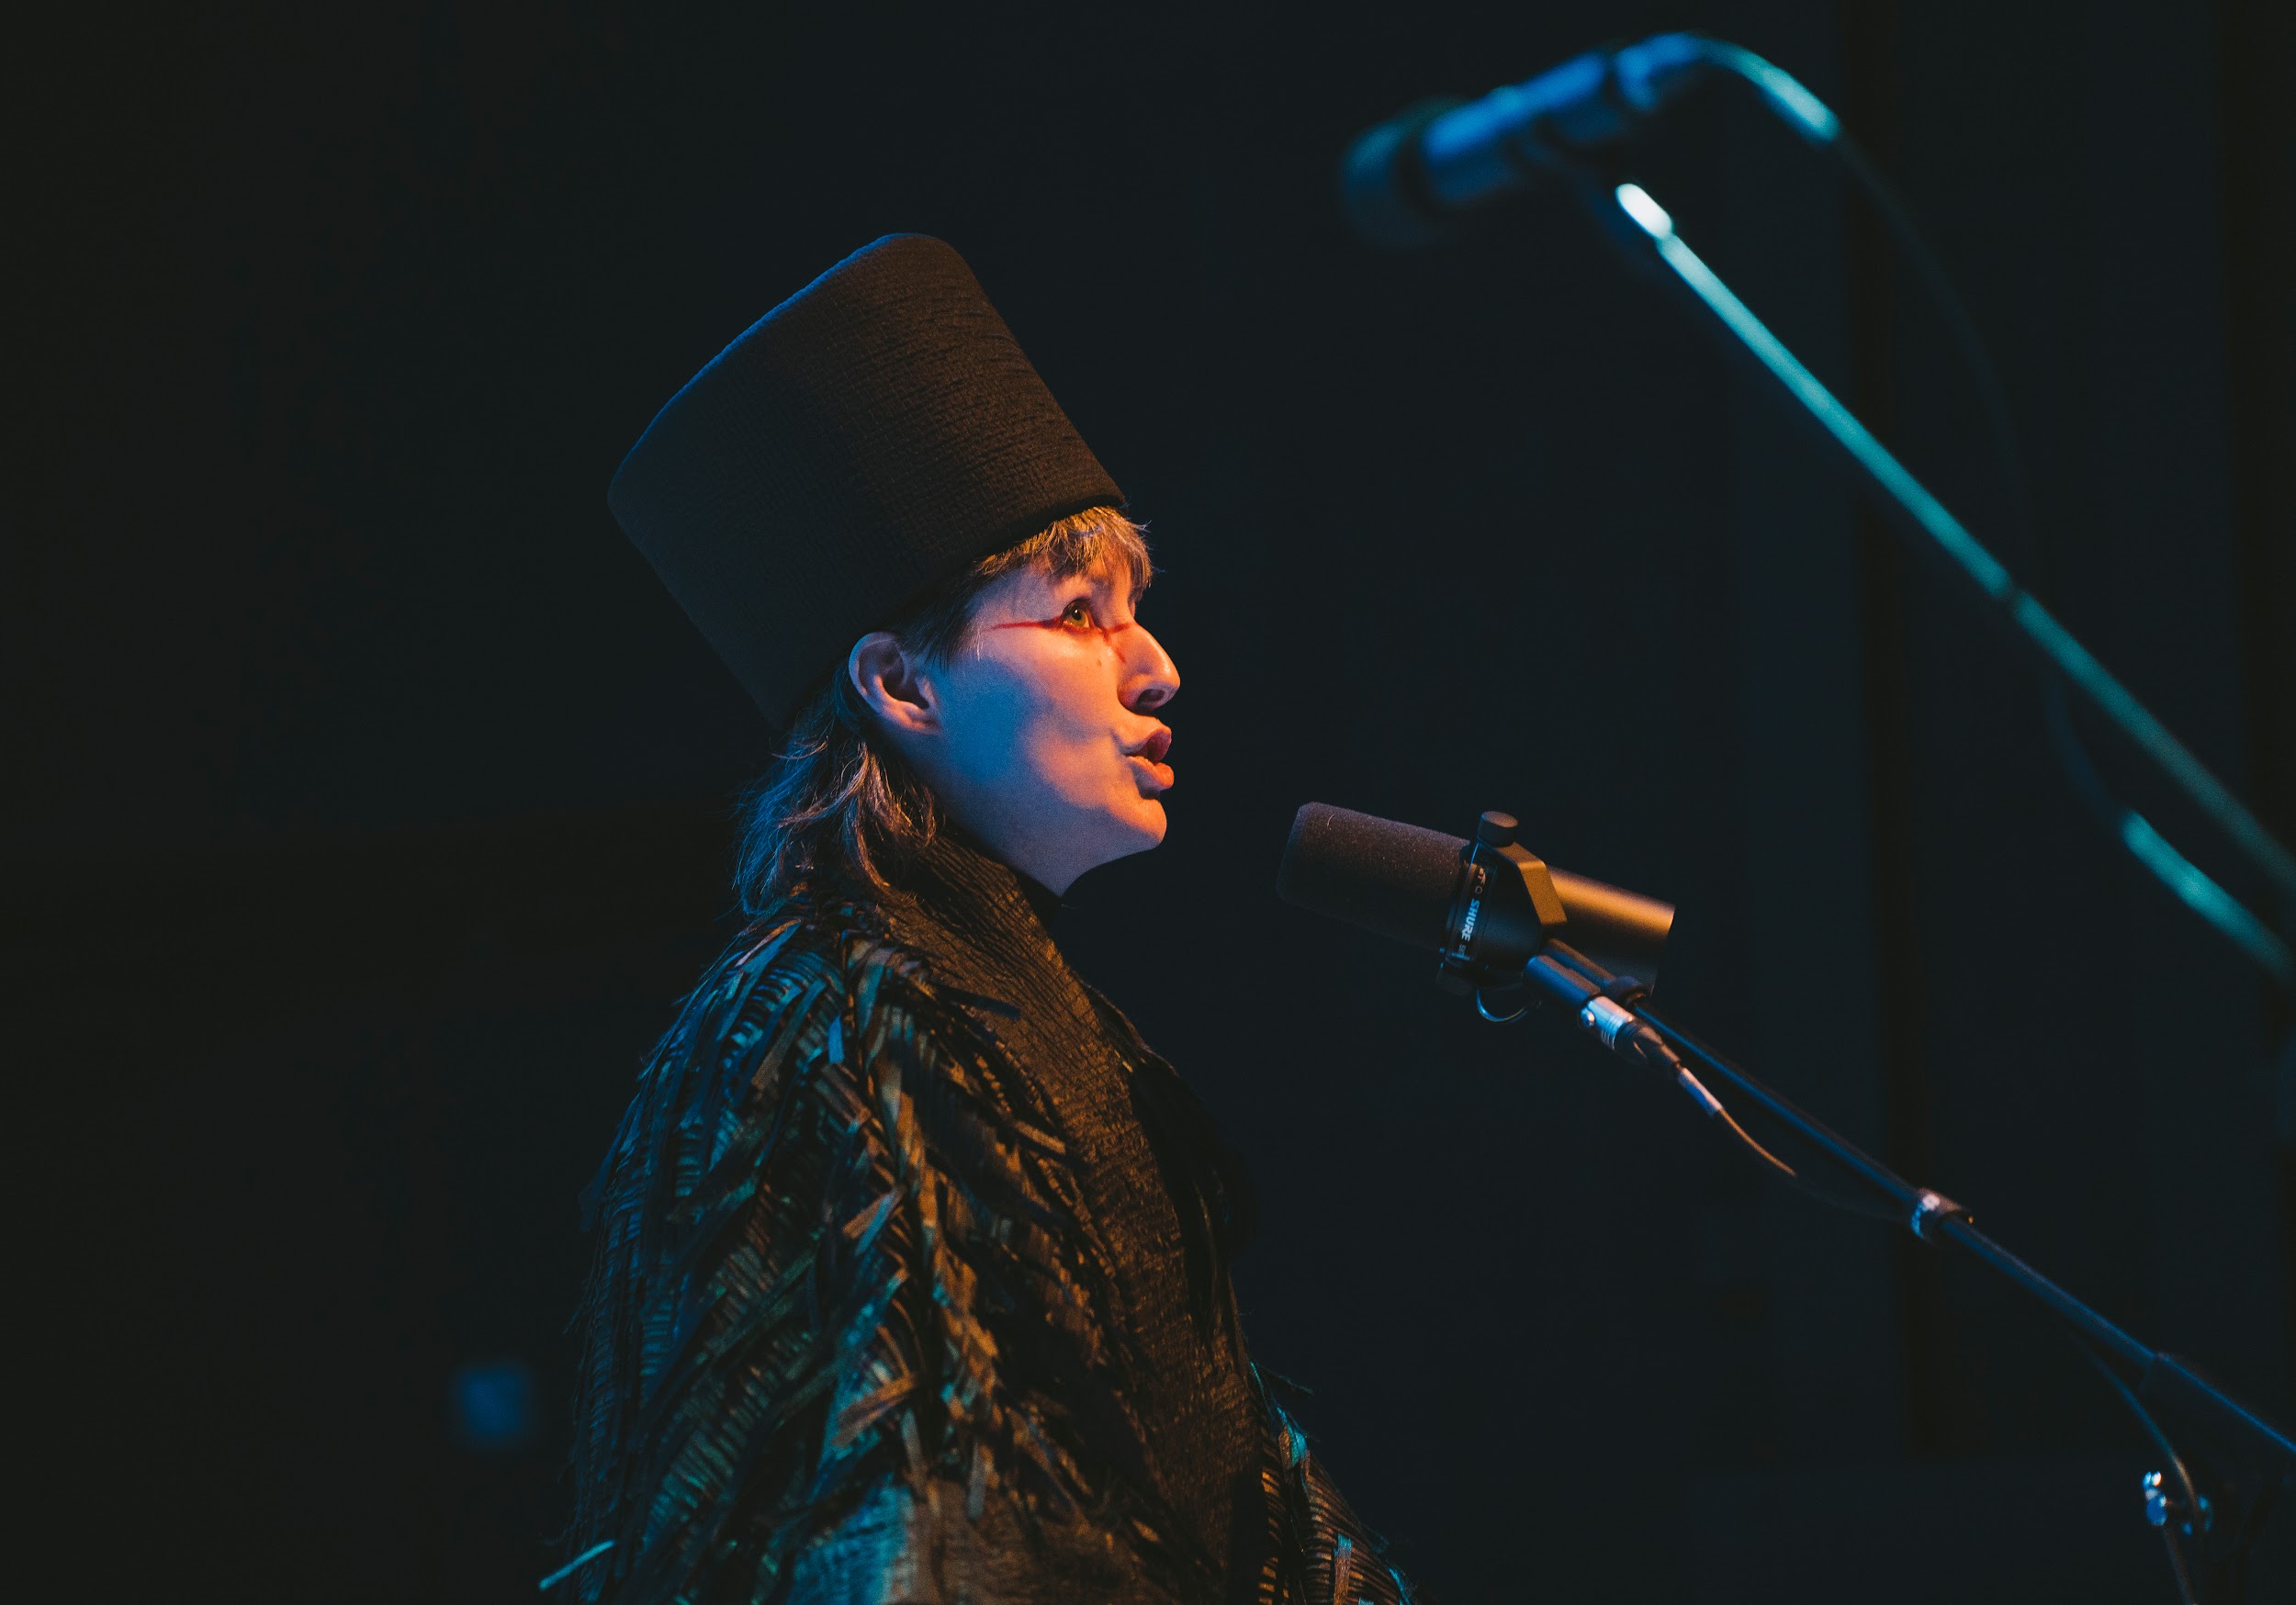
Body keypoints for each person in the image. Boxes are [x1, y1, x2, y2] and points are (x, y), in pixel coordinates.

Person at [564, 234, 1412, 1605]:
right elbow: (918, 1536)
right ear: (900, 685)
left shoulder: (1031, 1008)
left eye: (1139, 612)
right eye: (1080, 614)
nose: (1157, 668)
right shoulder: (839, 1020)